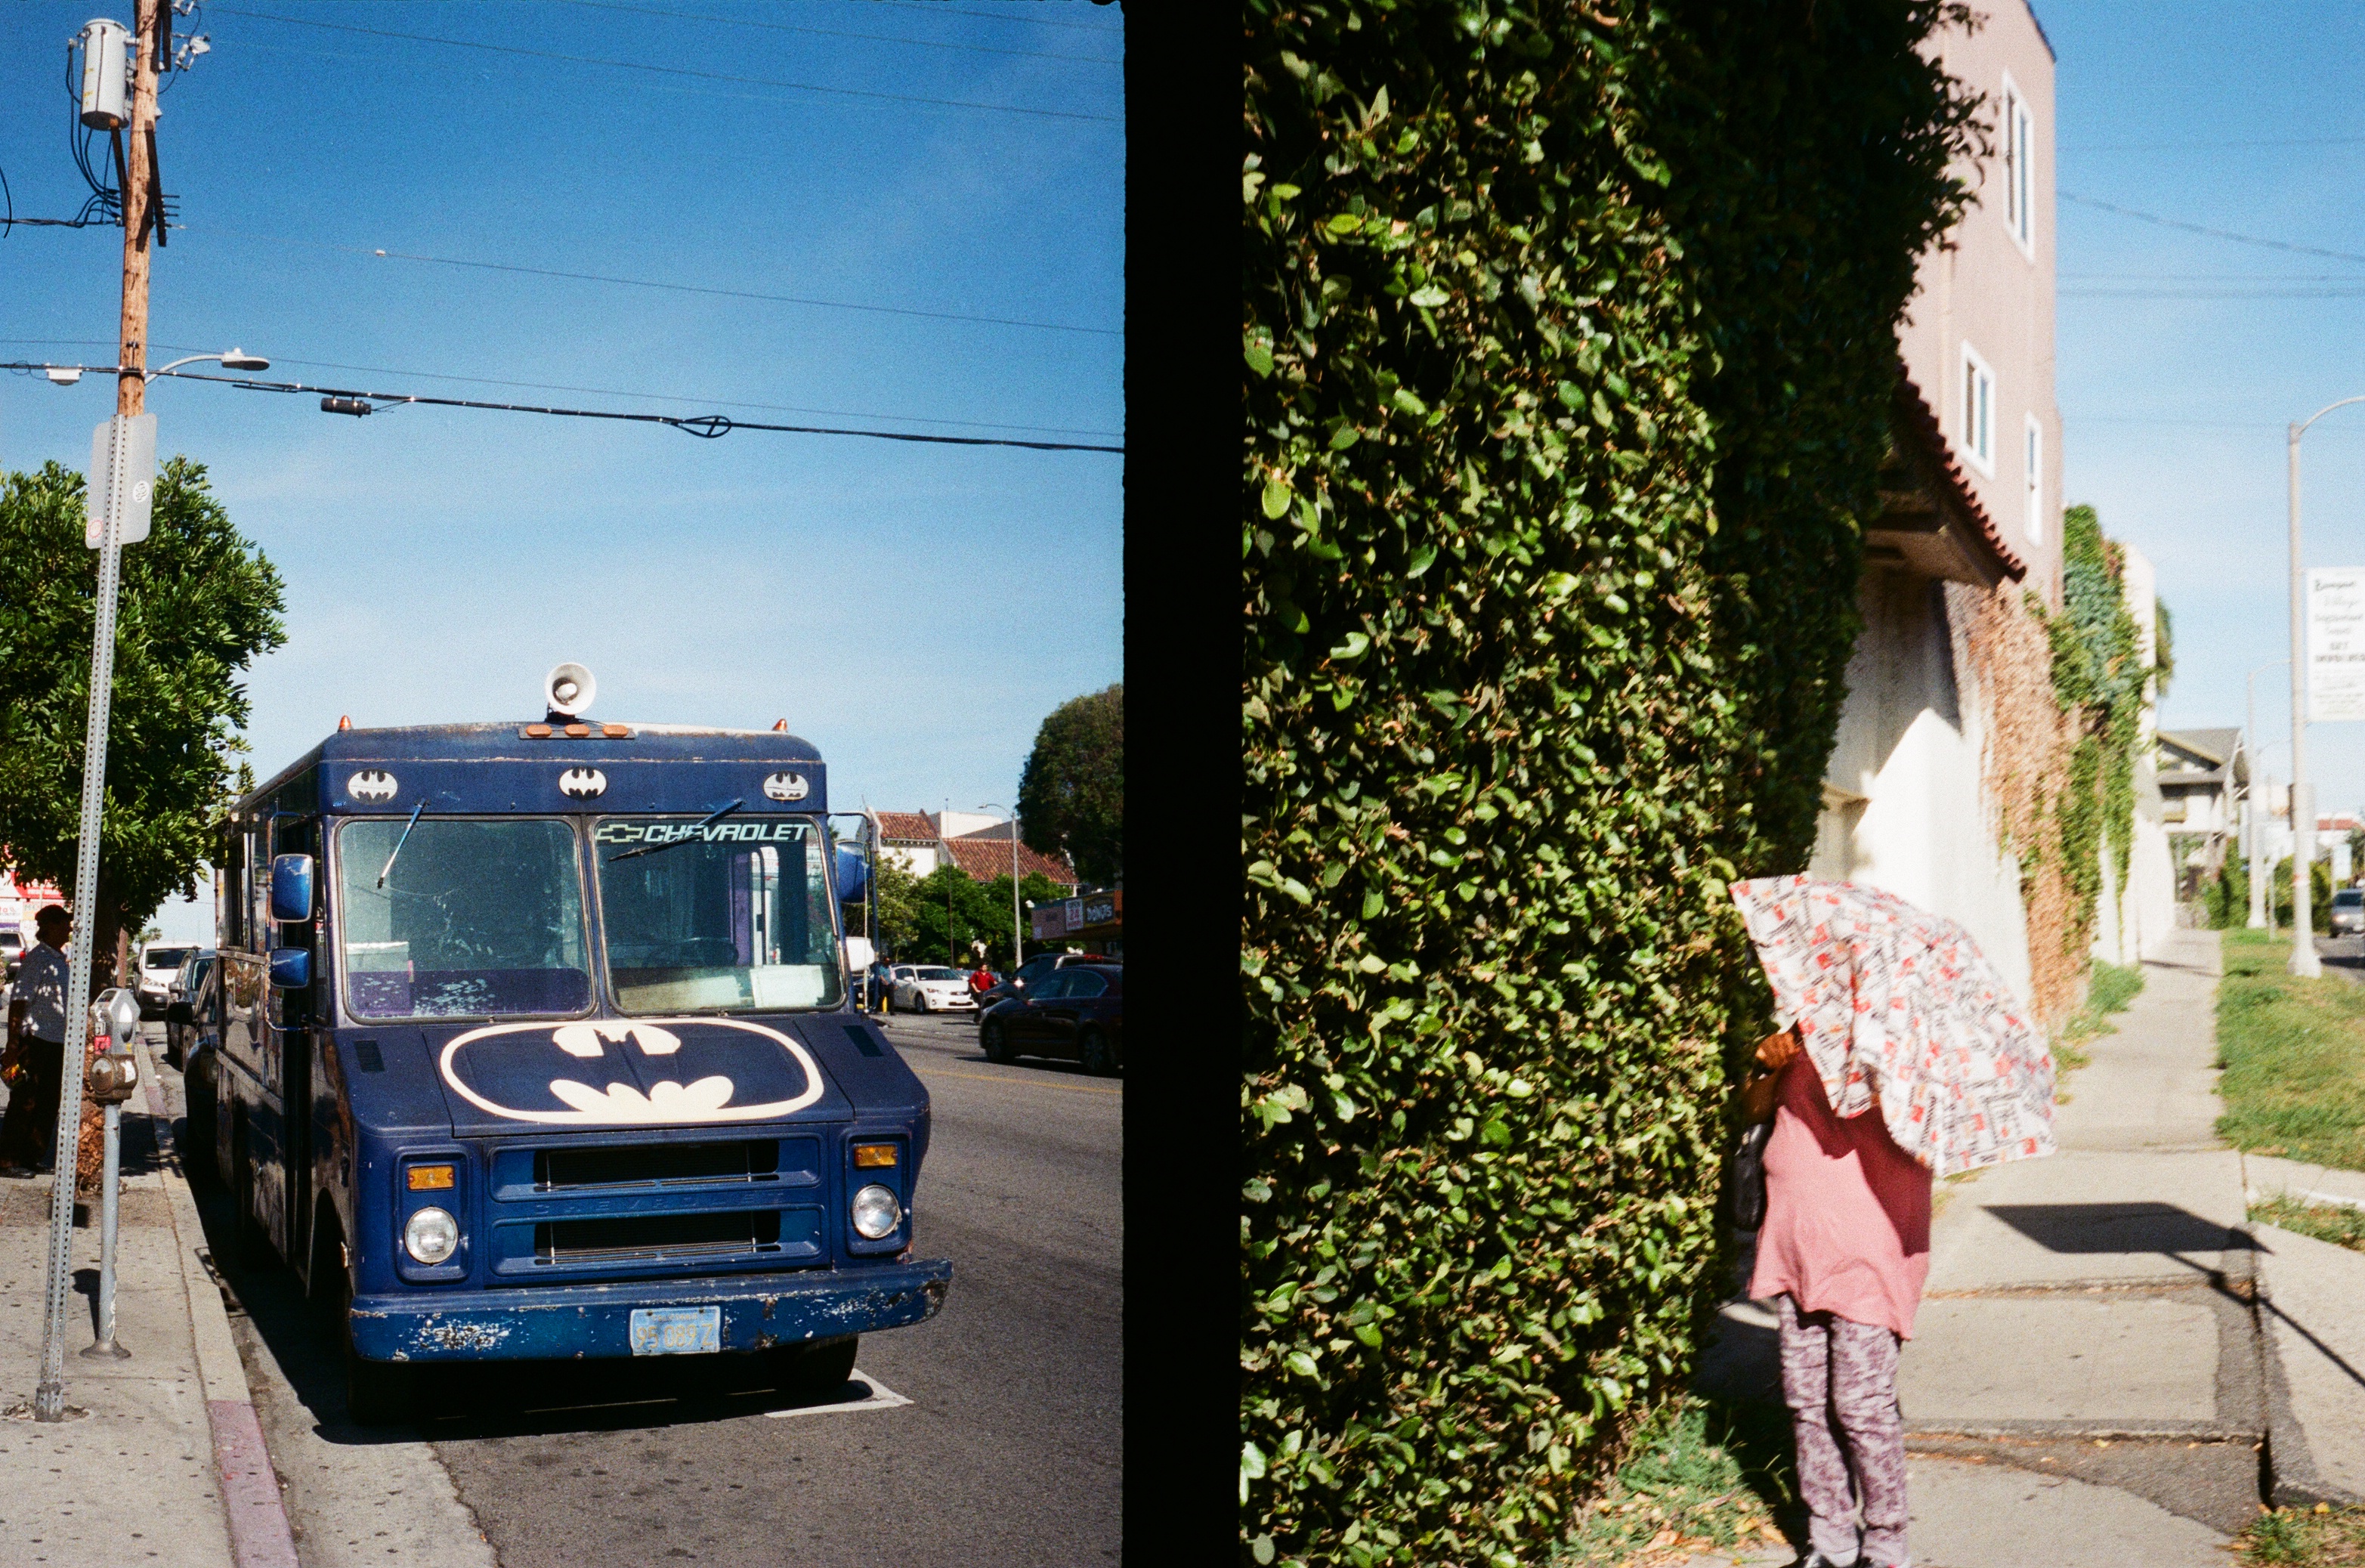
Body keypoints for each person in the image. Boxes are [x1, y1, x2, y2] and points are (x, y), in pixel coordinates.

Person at [1742, 1022, 1932, 1568]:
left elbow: (1927, 1129)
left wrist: (1886, 1073)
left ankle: (1887, 1543)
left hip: (1872, 1243)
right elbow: (1751, 1111)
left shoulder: (1908, 1031)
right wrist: (1765, 1064)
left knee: (1861, 1402)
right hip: (1797, 1241)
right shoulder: (1798, 1028)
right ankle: (1830, 1541)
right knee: (1806, 1400)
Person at [0, 907, 74, 1174]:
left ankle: (31, 1157)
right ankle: (8, 1160)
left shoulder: (60, 959)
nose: (69, 929)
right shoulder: (38, 959)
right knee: (25, 1101)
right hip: (35, 1041)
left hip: (56, 1043)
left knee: (48, 1103)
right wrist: (13, 1043)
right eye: (64, 924)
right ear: (51, 927)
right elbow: (19, 1001)